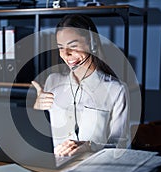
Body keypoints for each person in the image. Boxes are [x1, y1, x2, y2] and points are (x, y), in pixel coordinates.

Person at [31, 14, 130, 157]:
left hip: (95, 171)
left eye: (73, 46)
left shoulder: (116, 90)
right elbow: (40, 136)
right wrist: (36, 108)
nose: (66, 54)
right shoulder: (52, 81)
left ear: (92, 43)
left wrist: (90, 146)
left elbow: (120, 145)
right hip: (55, 170)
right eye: (61, 47)